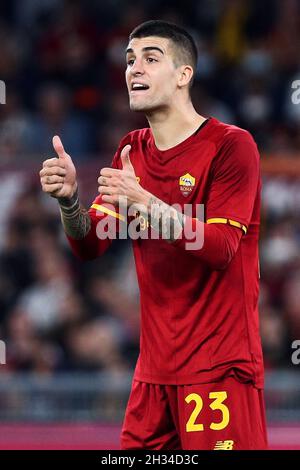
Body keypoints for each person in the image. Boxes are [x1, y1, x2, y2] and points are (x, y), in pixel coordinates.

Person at [39, 20, 268, 450]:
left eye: (149, 58)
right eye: (129, 60)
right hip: (153, 378)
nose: (134, 69)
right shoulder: (132, 150)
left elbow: (220, 248)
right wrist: (70, 200)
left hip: (218, 370)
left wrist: (145, 203)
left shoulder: (232, 146)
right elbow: (90, 244)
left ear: (184, 75)